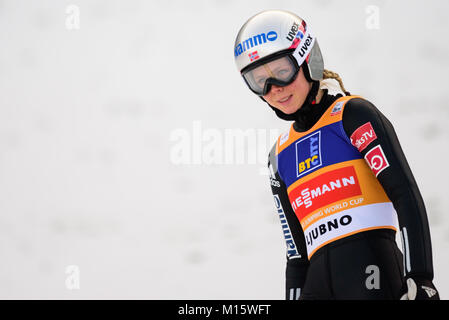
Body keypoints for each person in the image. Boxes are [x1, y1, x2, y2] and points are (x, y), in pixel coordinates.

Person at [234, 10, 439, 300]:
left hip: (371, 270)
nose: (274, 89)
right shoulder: (278, 157)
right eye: (259, 81)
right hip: (316, 287)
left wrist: (420, 278)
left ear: (307, 60)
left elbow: (405, 195)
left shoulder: (353, 116)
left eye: (282, 72)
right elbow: (296, 256)